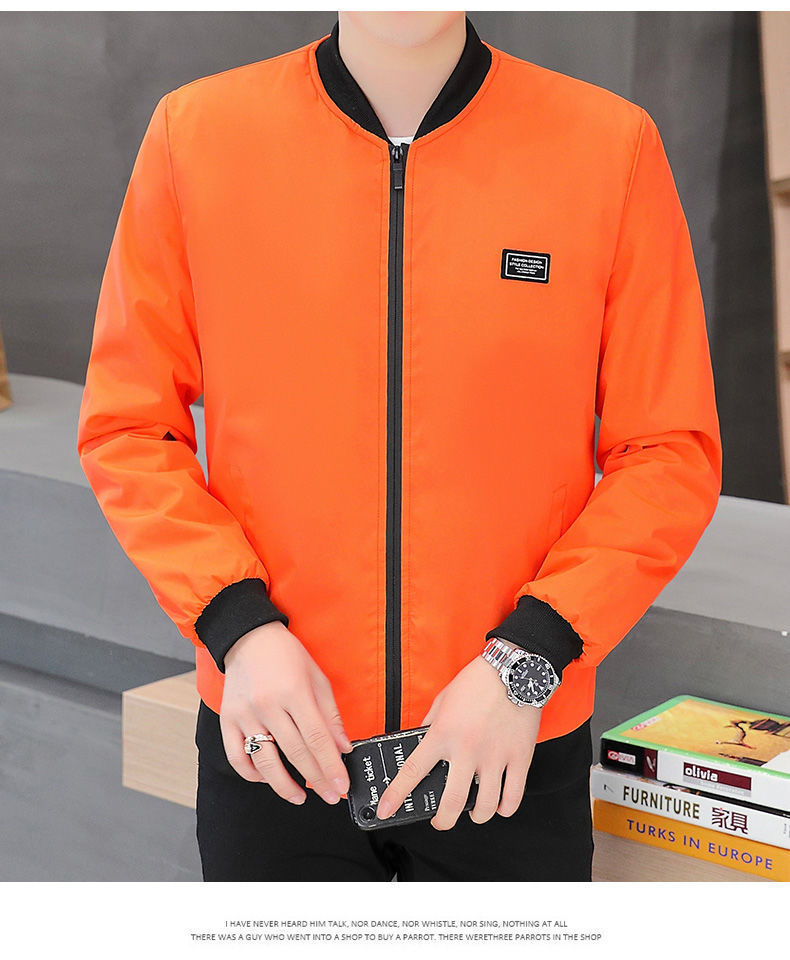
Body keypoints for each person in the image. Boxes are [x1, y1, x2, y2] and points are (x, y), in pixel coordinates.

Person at [77, 11, 722, 881]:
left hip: (508, 746)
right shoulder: (195, 137)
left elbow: (670, 450)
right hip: (277, 737)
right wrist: (240, 630)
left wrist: (527, 661)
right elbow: (128, 425)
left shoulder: (609, 147)